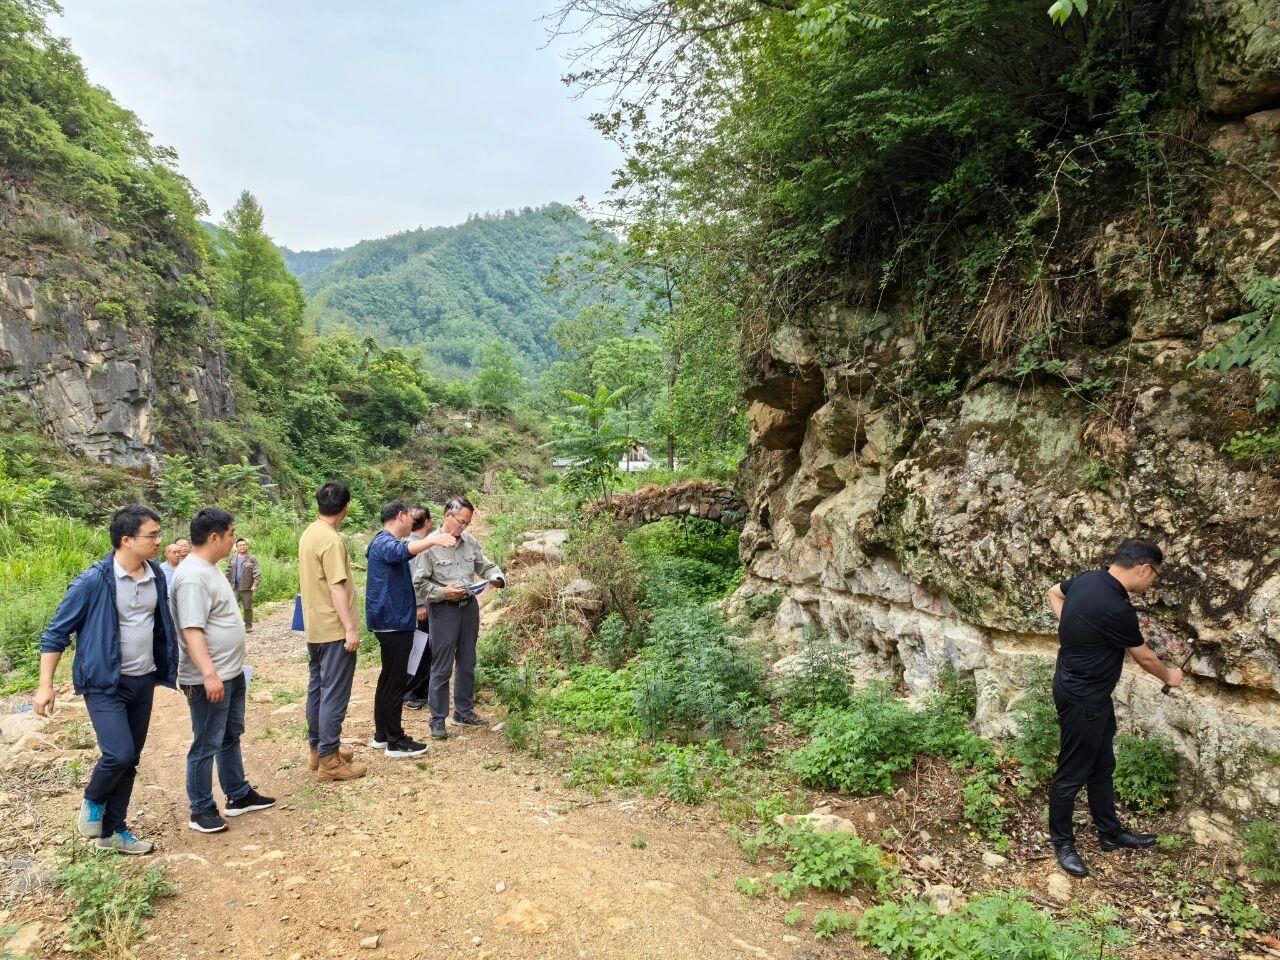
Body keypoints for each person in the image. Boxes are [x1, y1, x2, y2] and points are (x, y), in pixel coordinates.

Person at [33, 505, 178, 855]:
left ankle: (114, 831)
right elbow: (56, 634)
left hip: (142, 679)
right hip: (104, 682)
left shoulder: (156, 575)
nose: (159, 541)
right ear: (126, 540)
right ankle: (93, 798)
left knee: (131, 759)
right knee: (118, 752)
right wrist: (45, 685)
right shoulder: (93, 581)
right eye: (152, 535)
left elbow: (160, 626)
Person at [1044, 537, 1184, 878]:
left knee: (1103, 764)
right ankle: (1063, 844)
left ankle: (1109, 833)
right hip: (1082, 699)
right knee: (1071, 774)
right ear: (1143, 568)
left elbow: (1054, 593)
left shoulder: (1088, 580)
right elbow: (1145, 658)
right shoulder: (1117, 608)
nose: (1151, 584)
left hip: (1089, 694)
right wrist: (1171, 676)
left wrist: (1073, 629)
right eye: (1155, 576)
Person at [171, 508, 276, 833]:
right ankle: (201, 809)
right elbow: (191, 629)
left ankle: (238, 794)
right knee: (206, 743)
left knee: (229, 735)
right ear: (215, 537)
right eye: (231, 534)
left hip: (230, 672)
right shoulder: (192, 576)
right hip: (210, 677)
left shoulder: (211, 568)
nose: (235, 540)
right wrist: (209, 673)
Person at [365, 501, 455, 757]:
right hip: (392, 623)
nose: (412, 523)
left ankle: (383, 735)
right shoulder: (384, 542)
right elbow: (402, 551)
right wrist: (433, 540)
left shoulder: (382, 542)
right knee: (395, 683)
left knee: (388, 680)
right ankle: (396, 741)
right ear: (400, 515)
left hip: (391, 622)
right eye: (409, 517)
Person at [413, 496, 505, 740]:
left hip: (468, 607)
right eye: (461, 522)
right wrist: (444, 592)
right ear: (447, 516)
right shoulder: (429, 545)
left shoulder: (469, 541)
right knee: (442, 666)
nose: (463, 527)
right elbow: (419, 584)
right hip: (443, 610)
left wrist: (496, 577)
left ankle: (464, 712)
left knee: (467, 661)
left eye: (467, 523)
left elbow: (485, 566)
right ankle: (437, 719)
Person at [298, 481, 366, 780]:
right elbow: (337, 587)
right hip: (334, 629)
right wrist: (350, 628)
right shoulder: (332, 540)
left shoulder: (309, 533)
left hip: (315, 627)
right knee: (334, 694)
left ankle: (318, 748)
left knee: (317, 688)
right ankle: (329, 760)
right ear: (346, 508)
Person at [403, 505, 436, 710]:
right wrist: (419, 605)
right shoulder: (414, 546)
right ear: (427, 522)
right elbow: (413, 579)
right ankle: (411, 693)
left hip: (422, 605)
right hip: (419, 607)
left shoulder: (416, 544)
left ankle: (422, 689)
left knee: (425, 648)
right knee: (419, 648)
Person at [225, 537, 261, 631]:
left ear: (247, 546)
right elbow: (228, 571)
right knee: (232, 607)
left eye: (244, 545)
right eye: (240, 545)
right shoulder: (233, 557)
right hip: (234, 587)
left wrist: (255, 584)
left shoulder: (252, 558)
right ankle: (234, 625)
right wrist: (225, 583)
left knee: (247, 608)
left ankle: (248, 626)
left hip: (247, 588)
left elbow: (256, 572)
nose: (242, 547)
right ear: (237, 547)